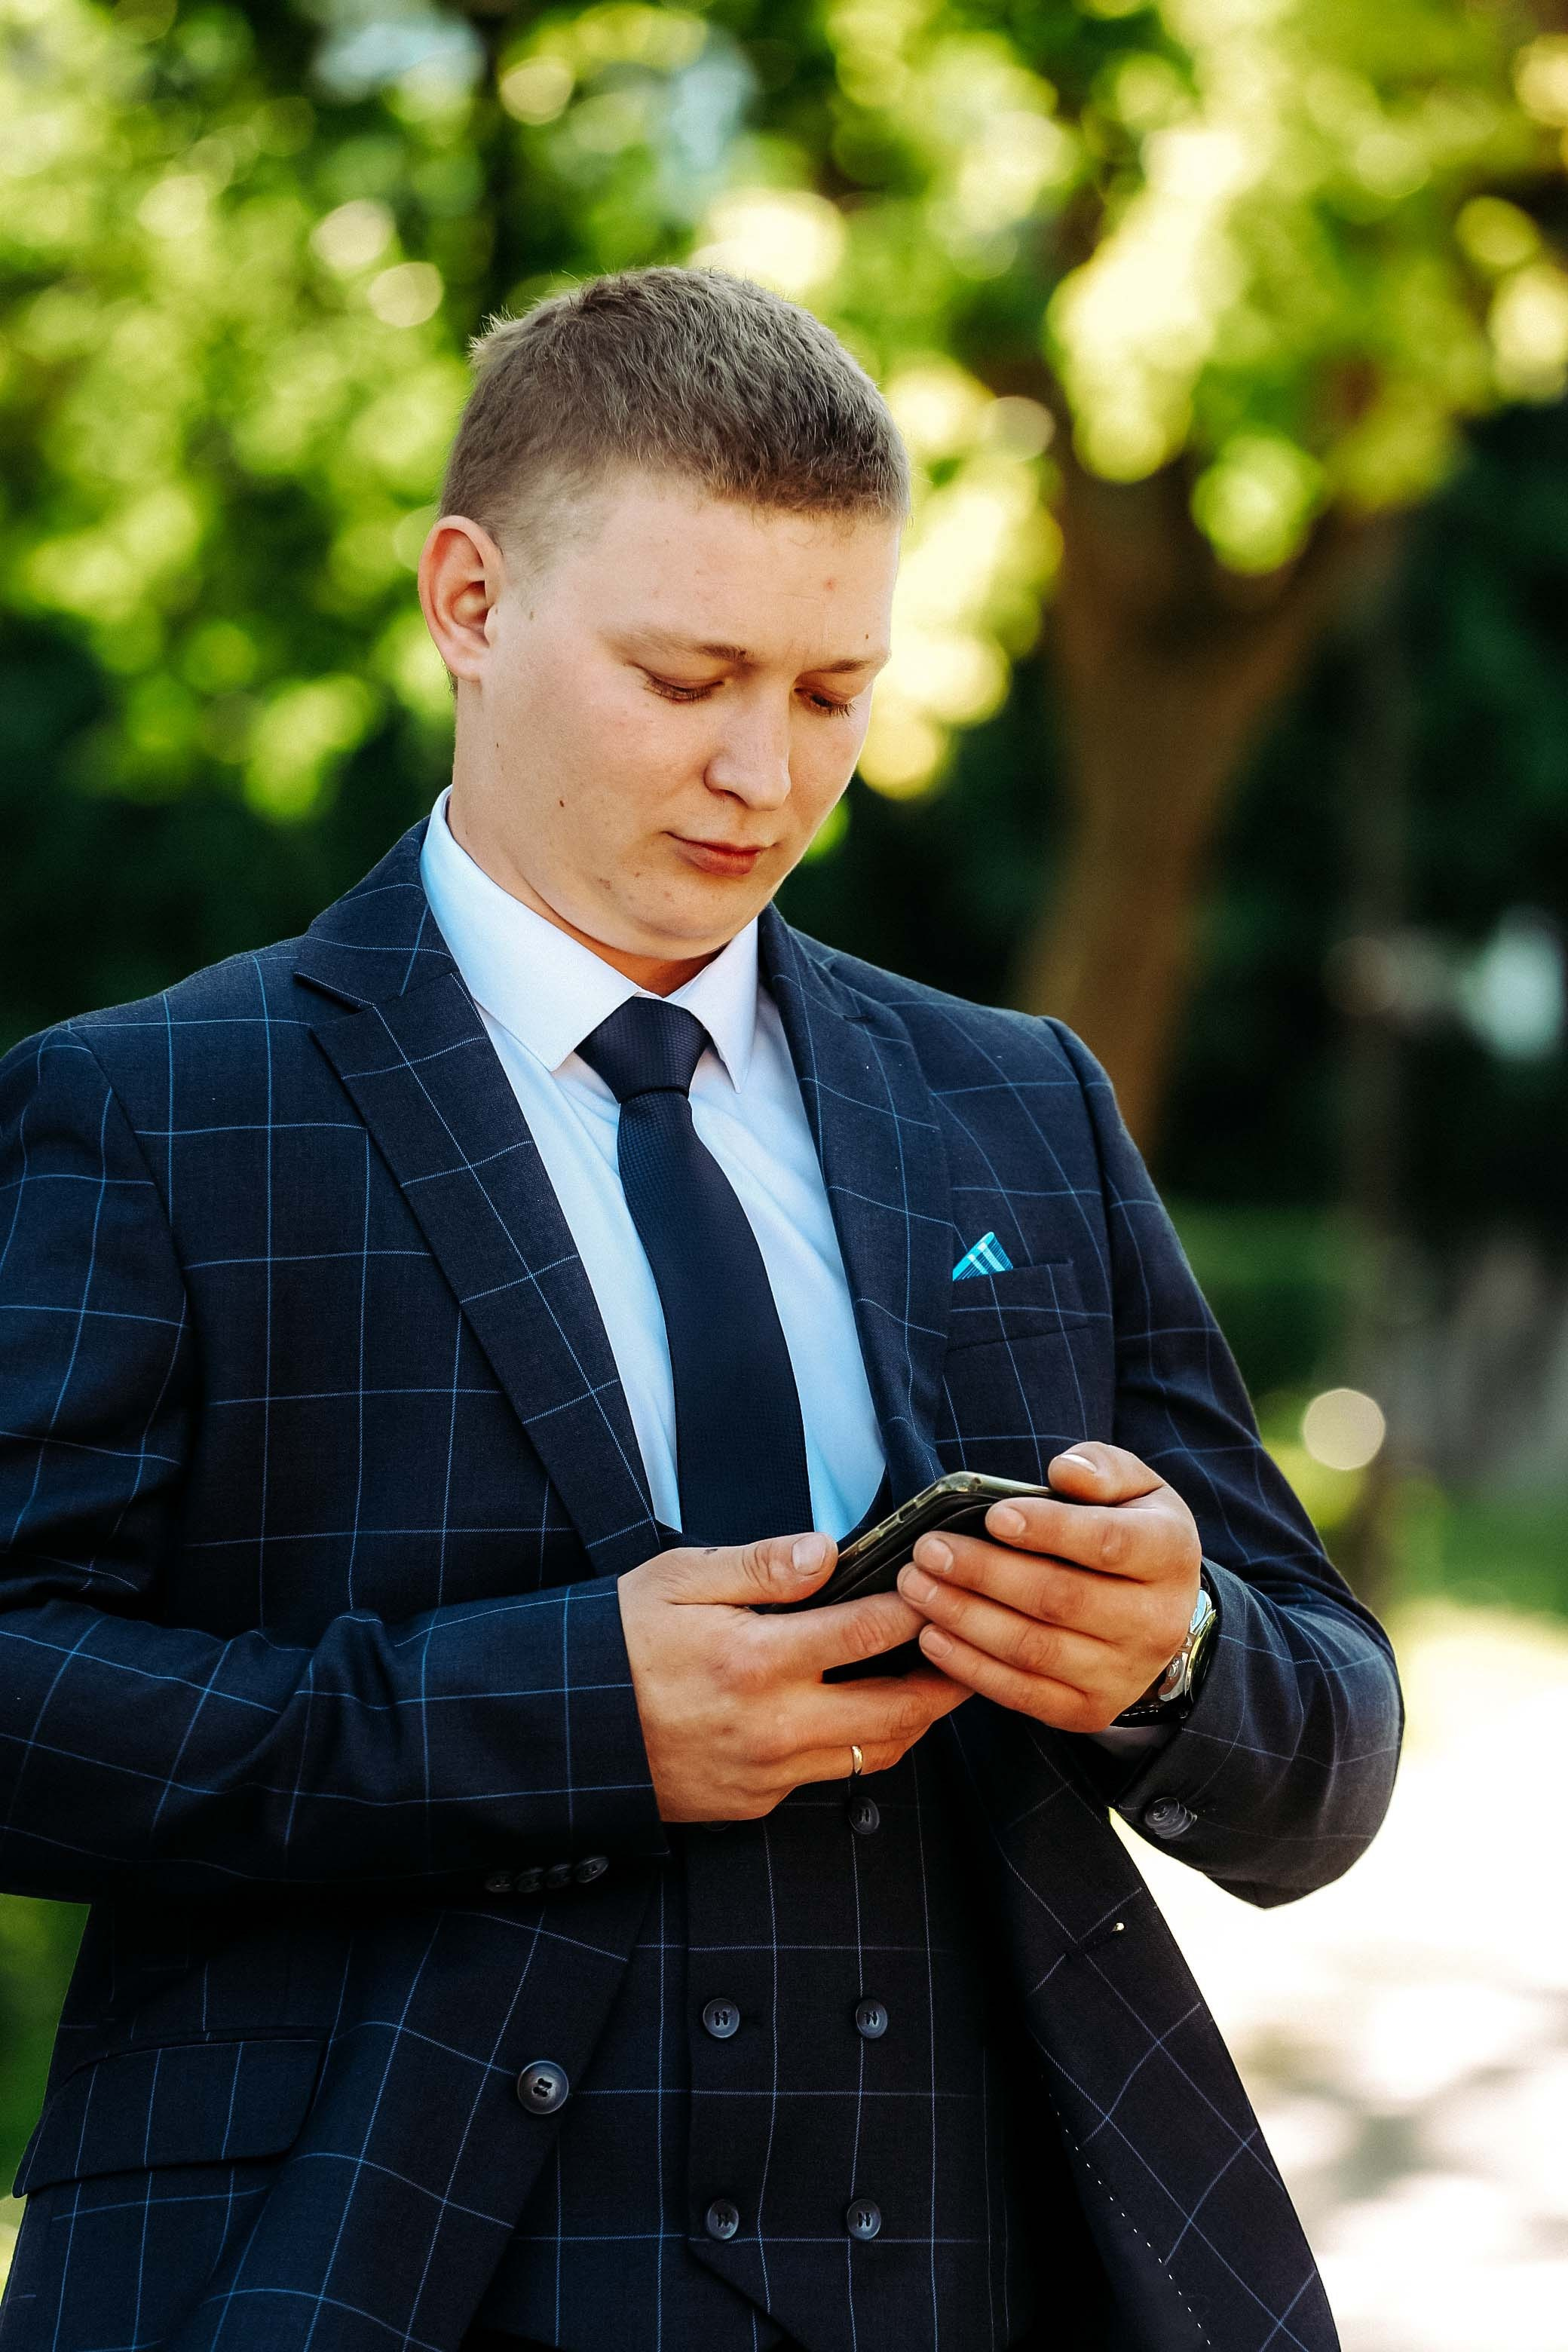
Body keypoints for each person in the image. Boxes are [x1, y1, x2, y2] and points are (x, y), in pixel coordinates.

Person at [0, 265, 1401, 2352]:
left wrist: (1169, 1650)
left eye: (835, 694)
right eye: (687, 678)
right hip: (368, 2276)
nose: (766, 772)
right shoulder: (153, 1113)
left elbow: (1328, 1748)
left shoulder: (1017, 1106)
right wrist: (562, 1712)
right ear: (466, 602)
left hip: (987, 2274)